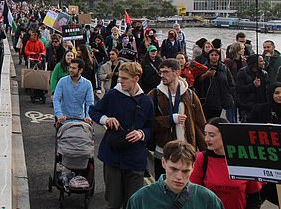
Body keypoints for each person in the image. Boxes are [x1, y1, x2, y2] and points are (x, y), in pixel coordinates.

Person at [88, 62, 154, 209]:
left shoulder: (146, 101)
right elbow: (93, 111)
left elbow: (150, 128)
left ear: (136, 79)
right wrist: (106, 119)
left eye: (124, 78)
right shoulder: (112, 95)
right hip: (113, 156)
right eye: (119, 78)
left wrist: (141, 133)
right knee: (114, 203)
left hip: (136, 158)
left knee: (133, 203)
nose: (120, 81)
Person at [148, 59, 206, 179]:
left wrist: (206, 152)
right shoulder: (154, 95)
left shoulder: (190, 94)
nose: (162, 75)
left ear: (177, 72)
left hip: (186, 150)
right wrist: (169, 119)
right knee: (164, 187)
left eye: (166, 72)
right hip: (163, 152)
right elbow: (148, 122)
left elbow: (199, 124)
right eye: (161, 72)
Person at [126, 140, 224, 209]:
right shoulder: (140, 199)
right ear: (163, 163)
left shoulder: (208, 199)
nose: (179, 177)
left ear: (193, 167)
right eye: (174, 169)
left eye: (185, 171)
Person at [189, 117, 263, 209]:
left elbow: (255, 198)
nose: (207, 139)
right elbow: (193, 193)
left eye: (211, 135)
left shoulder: (244, 159)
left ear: (225, 135)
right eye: (205, 134)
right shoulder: (202, 158)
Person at [249, 82, 281, 206]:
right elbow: (249, 130)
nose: (280, 96)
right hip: (264, 160)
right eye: (277, 93)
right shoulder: (260, 109)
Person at [195, 48, 236, 120]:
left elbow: (231, 83)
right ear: (209, 56)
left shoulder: (224, 68)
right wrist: (206, 75)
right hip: (207, 100)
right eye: (212, 55)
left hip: (221, 99)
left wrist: (230, 95)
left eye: (216, 55)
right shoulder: (203, 68)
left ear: (219, 56)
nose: (214, 57)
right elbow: (197, 82)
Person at [53, 59, 94, 124]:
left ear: (80, 70)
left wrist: (88, 117)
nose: (70, 70)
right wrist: (59, 115)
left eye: (74, 68)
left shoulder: (87, 84)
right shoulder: (62, 81)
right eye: (70, 67)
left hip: (80, 120)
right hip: (64, 120)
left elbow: (90, 103)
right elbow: (56, 99)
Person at [235, 54, 268, 122]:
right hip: (247, 107)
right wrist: (253, 85)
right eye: (261, 61)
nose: (264, 62)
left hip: (261, 106)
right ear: (255, 63)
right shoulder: (242, 73)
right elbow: (239, 89)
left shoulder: (264, 74)